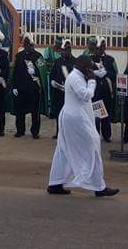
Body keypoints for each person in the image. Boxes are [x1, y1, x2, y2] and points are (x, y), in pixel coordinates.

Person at [47, 54, 119, 198]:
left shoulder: (77, 76)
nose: (91, 71)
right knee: (93, 145)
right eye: (90, 69)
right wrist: (92, 82)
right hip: (75, 119)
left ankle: (55, 183)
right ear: (86, 68)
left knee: (63, 150)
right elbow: (85, 95)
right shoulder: (75, 78)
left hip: (71, 117)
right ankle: (99, 187)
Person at [12, 33, 44, 139]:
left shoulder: (38, 56)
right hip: (21, 88)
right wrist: (14, 86)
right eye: (26, 44)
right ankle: (20, 130)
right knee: (20, 111)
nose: (28, 46)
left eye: (30, 44)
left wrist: (35, 71)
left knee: (35, 112)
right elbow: (15, 73)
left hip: (34, 88)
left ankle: (35, 132)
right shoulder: (19, 56)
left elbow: (42, 73)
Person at [87, 36, 118, 143]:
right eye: (98, 48)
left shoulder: (110, 59)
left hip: (107, 93)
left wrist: (107, 73)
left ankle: (107, 135)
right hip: (95, 92)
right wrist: (94, 73)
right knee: (96, 116)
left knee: (106, 116)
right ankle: (95, 135)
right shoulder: (89, 60)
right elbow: (84, 74)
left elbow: (115, 74)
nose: (100, 50)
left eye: (102, 48)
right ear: (95, 48)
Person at [48, 39, 75, 139]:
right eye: (63, 50)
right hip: (59, 93)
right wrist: (53, 82)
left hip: (70, 94)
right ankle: (59, 132)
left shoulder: (75, 62)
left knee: (70, 115)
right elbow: (53, 74)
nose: (64, 52)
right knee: (59, 114)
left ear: (70, 50)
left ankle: (69, 134)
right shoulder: (57, 62)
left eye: (66, 50)